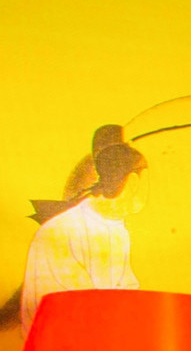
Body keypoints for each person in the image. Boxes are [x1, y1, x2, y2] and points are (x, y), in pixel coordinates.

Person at [17, 124, 148, 325]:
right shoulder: (63, 231)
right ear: (132, 183)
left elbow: (126, 288)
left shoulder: (117, 229)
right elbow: (80, 305)